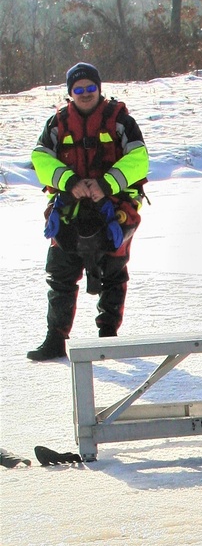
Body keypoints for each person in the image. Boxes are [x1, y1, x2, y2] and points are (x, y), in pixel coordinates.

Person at [28, 63, 148, 361]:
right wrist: (69, 183)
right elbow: (40, 160)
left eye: (90, 88)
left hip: (114, 210)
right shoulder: (56, 124)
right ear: (70, 93)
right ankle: (55, 340)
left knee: (114, 274)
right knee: (60, 274)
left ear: (99, 88)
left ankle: (108, 337)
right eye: (78, 89)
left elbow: (140, 159)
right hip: (69, 209)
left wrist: (105, 185)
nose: (84, 94)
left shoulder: (121, 121)